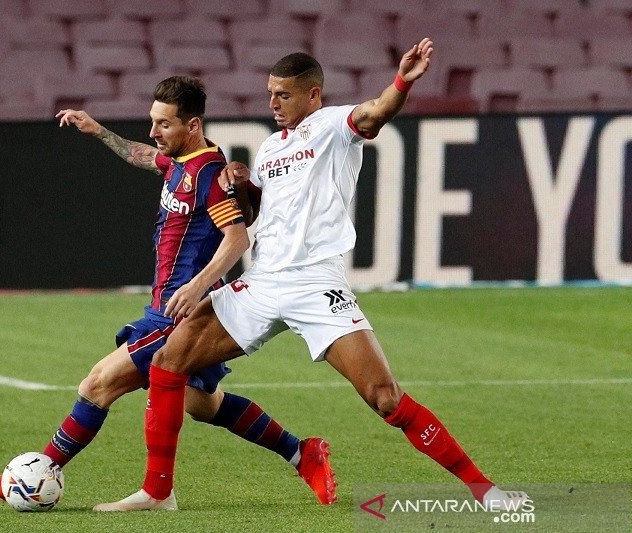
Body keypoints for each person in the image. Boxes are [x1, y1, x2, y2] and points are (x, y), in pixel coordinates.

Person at [95, 40, 529, 512]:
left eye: (283, 95)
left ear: (313, 96)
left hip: (317, 285)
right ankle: (159, 492)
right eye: (270, 94)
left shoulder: (333, 126)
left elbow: (376, 113)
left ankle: (486, 491)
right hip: (263, 283)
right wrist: (242, 186)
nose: (273, 104)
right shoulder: (268, 150)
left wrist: (402, 80)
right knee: (169, 359)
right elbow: (256, 214)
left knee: (385, 399)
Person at [0, 76, 337, 510]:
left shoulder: (207, 173)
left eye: (163, 124)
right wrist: (98, 131)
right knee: (203, 406)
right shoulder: (181, 160)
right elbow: (146, 156)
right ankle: (302, 453)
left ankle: (38, 476)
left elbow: (238, 238)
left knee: (96, 384)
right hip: (169, 307)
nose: (153, 132)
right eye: (152, 121)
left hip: (177, 314)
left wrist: (196, 285)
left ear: (193, 125)